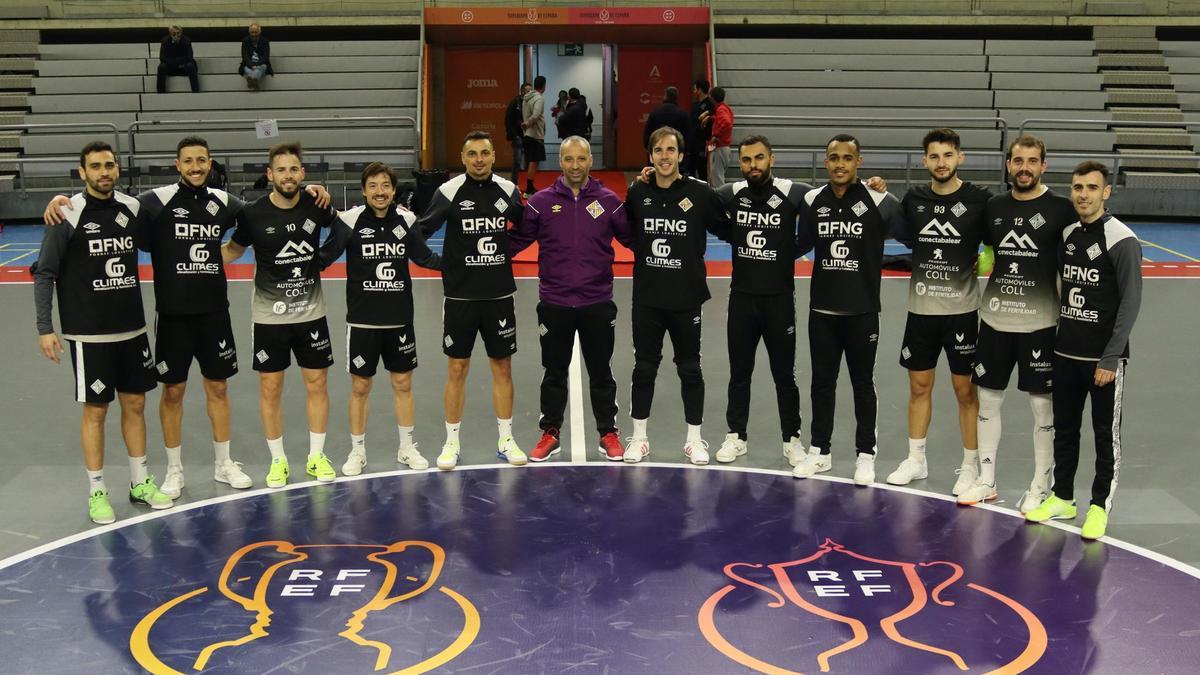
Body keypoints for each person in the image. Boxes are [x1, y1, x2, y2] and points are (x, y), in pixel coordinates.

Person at [41, 137, 321, 498]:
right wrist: (61, 201)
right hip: (171, 316)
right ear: (178, 165)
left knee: (218, 388)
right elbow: (106, 204)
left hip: (215, 313)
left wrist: (309, 190)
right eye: (188, 161)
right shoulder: (154, 201)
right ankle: (174, 469)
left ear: (209, 163)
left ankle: (224, 463)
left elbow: (266, 207)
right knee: (172, 391)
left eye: (201, 160)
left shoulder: (224, 202)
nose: (195, 167)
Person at [33, 141, 172, 524]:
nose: (104, 172)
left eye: (109, 165)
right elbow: (45, 273)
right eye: (95, 166)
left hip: (132, 330)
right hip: (89, 335)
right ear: (83, 173)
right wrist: (46, 328)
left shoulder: (132, 208)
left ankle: (140, 482)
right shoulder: (68, 214)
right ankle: (97, 490)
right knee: (96, 411)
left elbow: (175, 204)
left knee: (136, 406)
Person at [956, 135, 1077, 511]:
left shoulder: (1062, 209)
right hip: (994, 320)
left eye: (1032, 161)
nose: (1024, 167)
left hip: (1039, 323)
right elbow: (989, 253)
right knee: (988, 401)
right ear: (1008, 164)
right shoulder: (994, 207)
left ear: (1044, 166)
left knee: (1042, 408)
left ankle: (1041, 484)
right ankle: (987, 481)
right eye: (1018, 161)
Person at [1025, 161, 1141, 540]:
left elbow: (1129, 304)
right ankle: (1062, 497)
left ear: (1106, 192)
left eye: (1092, 188)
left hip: (1102, 361)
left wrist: (1110, 357)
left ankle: (1099, 506)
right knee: (1066, 430)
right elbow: (1062, 286)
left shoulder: (1122, 240)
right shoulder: (1069, 234)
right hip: (1066, 355)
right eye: (1078, 187)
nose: (1083, 194)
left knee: (1105, 434)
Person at [221, 142, 340, 487]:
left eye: (294, 169)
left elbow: (343, 232)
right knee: (271, 389)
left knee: (317, 384)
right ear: (269, 175)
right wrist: (194, 260)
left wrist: (323, 260)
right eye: (281, 170)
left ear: (302, 173)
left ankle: (316, 457)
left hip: (310, 312)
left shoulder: (316, 205)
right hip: (269, 317)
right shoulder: (253, 213)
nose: (288, 176)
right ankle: (278, 461)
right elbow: (232, 250)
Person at [509, 136, 635, 462]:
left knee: (601, 372)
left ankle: (608, 432)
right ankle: (550, 432)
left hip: (597, 301)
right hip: (554, 302)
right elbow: (517, 240)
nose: (575, 166)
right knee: (553, 372)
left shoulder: (608, 202)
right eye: (569, 159)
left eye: (581, 159)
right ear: (560, 161)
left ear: (590, 161)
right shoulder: (540, 202)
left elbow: (636, 239)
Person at [792, 135, 906, 486]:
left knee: (862, 384)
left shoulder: (878, 199)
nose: (840, 164)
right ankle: (820, 452)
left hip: (862, 311)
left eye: (847, 158)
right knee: (821, 384)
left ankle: (865, 455)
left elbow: (912, 231)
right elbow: (800, 245)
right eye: (833, 158)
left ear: (858, 162)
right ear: (826, 162)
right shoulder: (813, 200)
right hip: (822, 311)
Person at [883, 129, 992, 495]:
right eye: (934, 156)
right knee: (918, 386)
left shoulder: (979, 200)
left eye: (948, 155)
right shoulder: (914, 200)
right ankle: (916, 459)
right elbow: (894, 228)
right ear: (924, 161)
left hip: (962, 311)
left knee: (965, 390)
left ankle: (969, 466)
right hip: (922, 310)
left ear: (960, 157)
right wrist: (879, 191)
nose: (941, 162)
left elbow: (1003, 232)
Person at [317, 162, 441, 475]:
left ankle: (406, 447)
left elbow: (424, 256)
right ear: (364, 191)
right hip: (362, 321)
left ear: (393, 189)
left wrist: (460, 264)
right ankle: (357, 451)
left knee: (403, 384)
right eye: (373, 185)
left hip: (399, 319)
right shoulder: (350, 220)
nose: (380, 191)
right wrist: (288, 264)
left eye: (385, 185)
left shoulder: (406, 220)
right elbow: (325, 256)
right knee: (360, 387)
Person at [417, 131, 528, 470]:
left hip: (498, 296)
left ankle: (506, 439)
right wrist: (441, 265)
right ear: (463, 159)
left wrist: (506, 253)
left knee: (503, 367)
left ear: (494, 156)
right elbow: (417, 232)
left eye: (484, 153)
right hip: (461, 297)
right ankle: (451, 443)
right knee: (456, 368)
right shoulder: (448, 192)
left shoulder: (508, 191)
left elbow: (525, 228)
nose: (478, 159)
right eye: (472, 154)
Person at [622, 126, 731, 465]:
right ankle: (639, 439)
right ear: (650, 156)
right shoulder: (637, 193)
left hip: (686, 300)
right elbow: (626, 233)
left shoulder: (699, 193)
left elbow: (729, 229)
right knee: (643, 368)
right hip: (648, 298)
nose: (664, 156)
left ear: (681, 155)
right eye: (658, 151)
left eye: (671, 150)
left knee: (690, 369)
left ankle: (694, 440)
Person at [712, 135, 809, 467]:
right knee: (740, 372)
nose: (753, 165)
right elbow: (704, 207)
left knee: (785, 374)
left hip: (779, 300)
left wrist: (790, 251)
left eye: (759, 158)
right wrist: (734, 236)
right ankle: (736, 436)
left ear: (772, 158)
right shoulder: (731, 193)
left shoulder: (793, 192)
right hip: (742, 299)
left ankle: (792, 439)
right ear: (740, 163)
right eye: (746, 160)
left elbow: (828, 201)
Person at [643, 86, 691, 154]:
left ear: (665, 96)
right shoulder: (683, 114)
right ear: (676, 97)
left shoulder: (655, 113)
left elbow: (647, 134)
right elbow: (688, 136)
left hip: (658, 150)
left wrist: (649, 149)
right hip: (676, 151)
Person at [521, 76, 547, 198]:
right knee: (533, 162)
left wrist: (526, 124)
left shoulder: (526, 98)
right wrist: (528, 123)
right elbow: (536, 115)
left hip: (527, 134)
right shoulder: (538, 98)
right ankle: (529, 189)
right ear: (543, 86)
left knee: (532, 161)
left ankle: (529, 188)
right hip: (535, 134)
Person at [157, 25, 199, 94]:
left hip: (183, 68)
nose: (176, 35)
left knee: (191, 66)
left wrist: (176, 62)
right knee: (161, 67)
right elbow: (162, 58)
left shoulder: (187, 40)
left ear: (181, 33)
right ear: (170, 33)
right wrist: (177, 63)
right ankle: (161, 93)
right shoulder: (165, 41)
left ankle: (196, 91)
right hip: (172, 68)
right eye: (174, 33)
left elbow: (189, 57)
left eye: (178, 33)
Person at [705, 87, 734, 188]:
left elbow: (726, 123)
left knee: (717, 178)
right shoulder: (724, 108)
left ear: (712, 98)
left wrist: (715, 135)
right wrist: (711, 118)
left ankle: (720, 200)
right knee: (717, 176)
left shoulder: (721, 109)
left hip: (720, 147)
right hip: (723, 148)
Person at [505, 82, 532, 184]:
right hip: (517, 135)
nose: (529, 93)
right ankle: (514, 183)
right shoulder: (515, 102)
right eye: (527, 91)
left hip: (529, 135)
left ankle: (529, 184)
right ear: (522, 91)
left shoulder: (531, 103)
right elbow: (508, 118)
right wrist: (513, 134)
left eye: (531, 91)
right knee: (517, 160)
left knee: (530, 160)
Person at [688, 78, 714, 180]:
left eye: (695, 89)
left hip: (703, 143)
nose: (694, 91)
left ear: (699, 90)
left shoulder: (710, 106)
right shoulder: (695, 105)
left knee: (702, 170)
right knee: (691, 170)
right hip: (693, 143)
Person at [239, 22, 272, 90]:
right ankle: (255, 82)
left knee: (263, 67)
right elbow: (244, 56)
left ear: (259, 32)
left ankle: (251, 80)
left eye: (256, 32)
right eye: (252, 32)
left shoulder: (265, 41)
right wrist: (251, 65)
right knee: (246, 69)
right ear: (249, 32)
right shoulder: (245, 41)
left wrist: (256, 65)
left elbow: (265, 57)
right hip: (248, 64)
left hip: (261, 64)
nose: (254, 34)